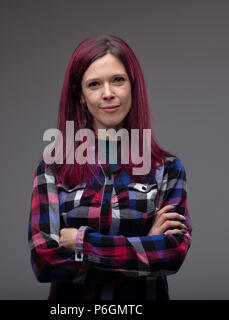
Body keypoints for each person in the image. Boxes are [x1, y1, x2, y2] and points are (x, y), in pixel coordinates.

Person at [28, 34, 192, 300]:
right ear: (80, 95)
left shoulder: (168, 169)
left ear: (132, 86)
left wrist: (82, 243)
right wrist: (145, 248)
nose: (108, 93)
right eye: (94, 84)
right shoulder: (53, 168)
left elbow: (172, 254)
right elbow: (44, 262)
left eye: (118, 80)